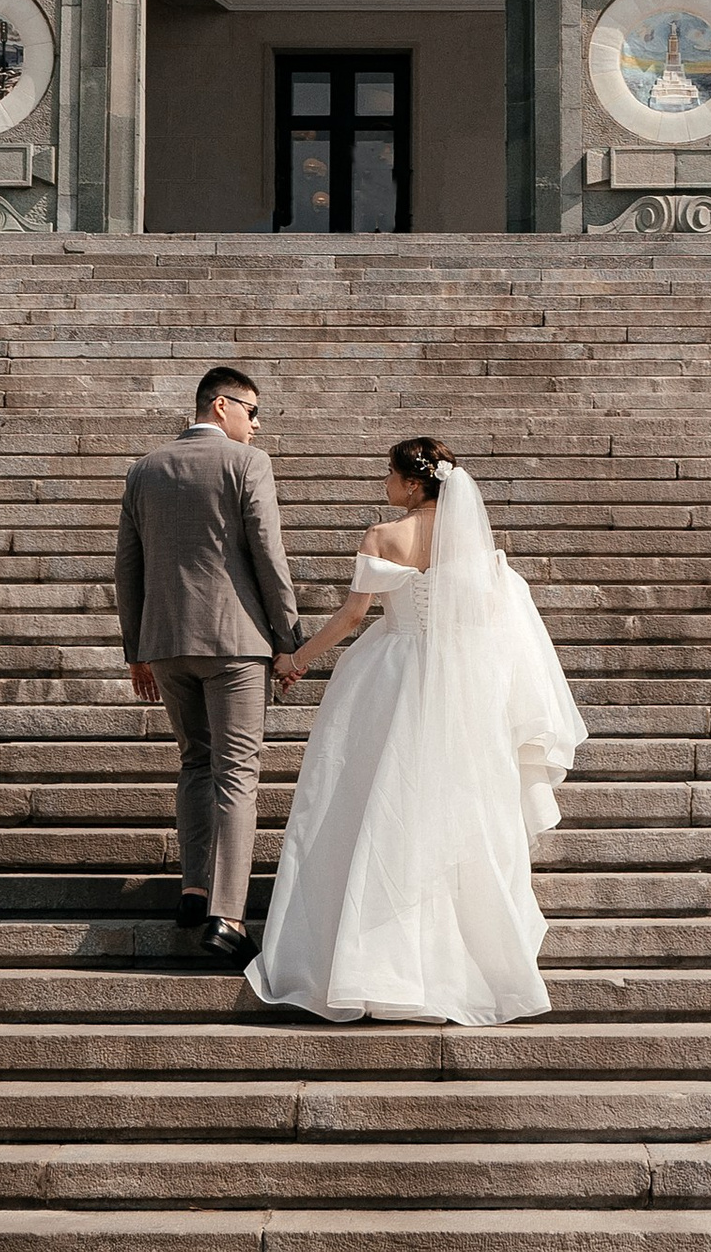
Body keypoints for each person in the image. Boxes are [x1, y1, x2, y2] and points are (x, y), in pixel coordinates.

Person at [248, 435, 585, 1026]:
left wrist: (296, 659)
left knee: (373, 803)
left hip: (392, 672)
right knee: (454, 810)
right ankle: (454, 959)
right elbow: (487, 626)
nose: (385, 482)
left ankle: (370, 960)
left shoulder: (384, 536)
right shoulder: (479, 549)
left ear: (411, 482)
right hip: (460, 685)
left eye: (389, 474)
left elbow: (354, 616)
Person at [114, 363, 305, 963]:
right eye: (253, 411)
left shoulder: (144, 469)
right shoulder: (248, 463)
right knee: (237, 774)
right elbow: (268, 554)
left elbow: (127, 567)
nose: (257, 424)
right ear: (221, 406)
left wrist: (136, 650)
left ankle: (193, 889)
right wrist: (290, 637)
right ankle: (227, 916)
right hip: (236, 642)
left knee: (196, 763)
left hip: (166, 642)